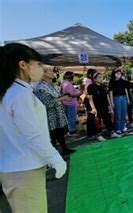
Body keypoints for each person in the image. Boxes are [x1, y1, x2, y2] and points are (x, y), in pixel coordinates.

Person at [0, 43, 67, 212]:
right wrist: (56, 159)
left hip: (17, 167)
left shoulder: (12, 91)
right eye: (38, 64)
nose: (41, 68)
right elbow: (33, 135)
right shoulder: (19, 93)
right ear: (23, 65)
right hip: (24, 169)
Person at [33, 66, 76, 155]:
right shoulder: (40, 87)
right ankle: (53, 156)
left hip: (58, 114)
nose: (53, 72)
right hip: (50, 116)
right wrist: (61, 99)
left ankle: (64, 149)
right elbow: (45, 104)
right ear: (44, 73)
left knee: (60, 132)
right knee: (52, 136)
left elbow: (56, 97)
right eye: (50, 71)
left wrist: (63, 97)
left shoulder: (51, 84)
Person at [87, 72, 121, 141]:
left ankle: (112, 132)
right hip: (96, 107)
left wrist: (110, 105)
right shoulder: (90, 87)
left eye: (101, 77)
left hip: (105, 106)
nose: (101, 79)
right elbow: (90, 98)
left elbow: (107, 96)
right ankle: (98, 135)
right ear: (94, 79)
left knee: (108, 119)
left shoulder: (103, 86)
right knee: (97, 121)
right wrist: (93, 108)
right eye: (99, 77)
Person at [108, 69, 130, 134]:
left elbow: (126, 90)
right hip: (116, 98)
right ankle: (117, 128)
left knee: (123, 113)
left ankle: (122, 127)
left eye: (120, 73)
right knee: (118, 114)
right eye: (117, 73)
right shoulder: (111, 82)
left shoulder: (123, 81)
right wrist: (112, 102)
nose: (119, 75)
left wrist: (128, 99)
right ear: (114, 74)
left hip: (123, 97)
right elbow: (110, 92)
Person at [60, 71, 81, 135]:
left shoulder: (63, 82)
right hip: (70, 103)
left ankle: (69, 130)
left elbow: (62, 92)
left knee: (68, 118)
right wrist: (78, 93)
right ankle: (72, 131)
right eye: (73, 76)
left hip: (65, 102)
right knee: (71, 118)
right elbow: (69, 94)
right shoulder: (67, 84)